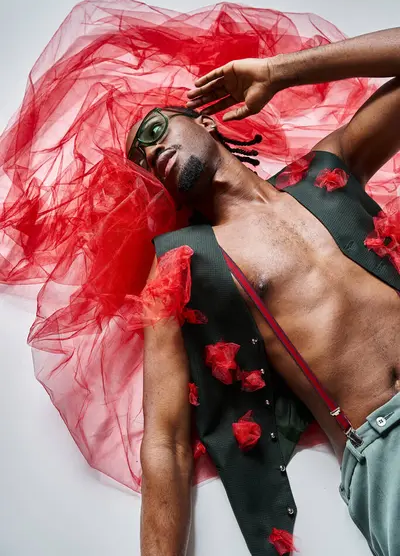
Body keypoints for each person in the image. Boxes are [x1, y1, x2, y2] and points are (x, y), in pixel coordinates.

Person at [126, 28, 400, 556]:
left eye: (157, 129)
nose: (153, 150)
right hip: (387, 447)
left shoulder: (328, 169)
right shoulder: (181, 267)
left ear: (205, 120)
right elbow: (165, 445)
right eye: (143, 155)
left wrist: (280, 72)